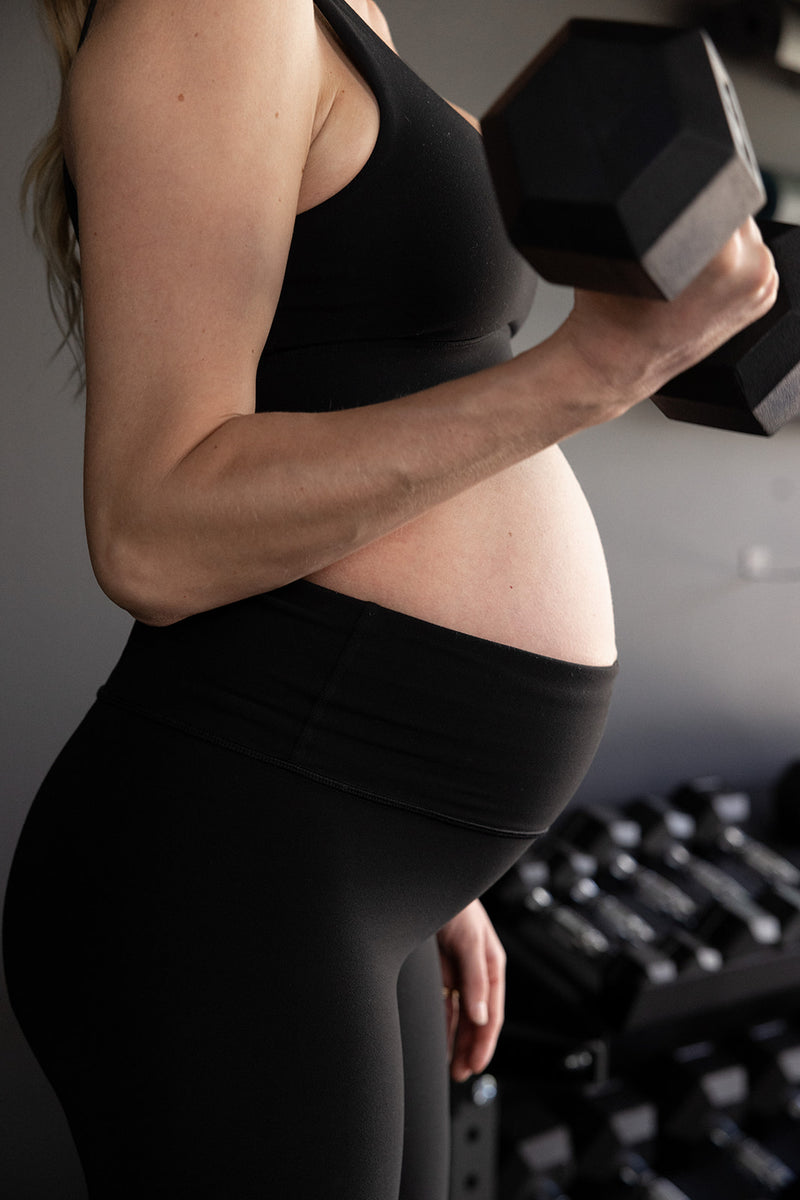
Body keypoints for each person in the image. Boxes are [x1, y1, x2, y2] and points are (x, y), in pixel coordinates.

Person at [2, 0, 777, 1197]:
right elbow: (149, 534)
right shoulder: (213, 11)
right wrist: (591, 372)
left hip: (355, 857)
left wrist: (433, 862)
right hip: (239, 850)